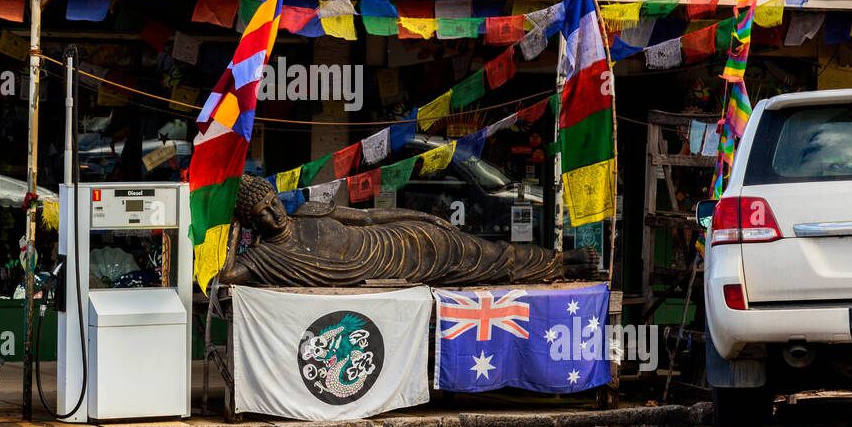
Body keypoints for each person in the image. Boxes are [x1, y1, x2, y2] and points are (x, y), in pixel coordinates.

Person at [220, 175, 598, 288]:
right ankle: (560, 264)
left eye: (273, 202)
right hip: (392, 275)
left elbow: (370, 218)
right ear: (254, 224)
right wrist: (236, 226)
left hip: (402, 239)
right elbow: (228, 275)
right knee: (483, 267)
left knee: (484, 251)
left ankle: (560, 260)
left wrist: (426, 218)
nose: (274, 213)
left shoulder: (309, 209)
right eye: (263, 214)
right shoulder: (266, 257)